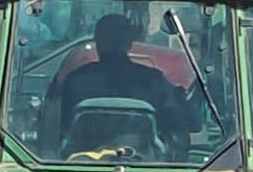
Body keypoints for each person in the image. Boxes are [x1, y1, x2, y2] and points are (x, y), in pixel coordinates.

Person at [50, 11, 195, 147]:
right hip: (144, 163)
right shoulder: (154, 81)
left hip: (81, 163)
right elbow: (184, 121)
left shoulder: (76, 80)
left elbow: (57, 127)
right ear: (130, 43)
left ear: (97, 42)